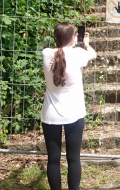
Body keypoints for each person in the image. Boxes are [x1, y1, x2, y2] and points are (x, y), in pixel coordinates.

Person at [41, 22, 97, 190]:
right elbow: (93, 54)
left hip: (50, 115)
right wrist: (86, 44)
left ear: (55, 38)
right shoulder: (78, 54)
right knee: (73, 158)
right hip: (74, 114)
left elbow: (59, 52)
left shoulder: (46, 53)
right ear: (73, 38)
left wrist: (71, 43)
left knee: (53, 159)